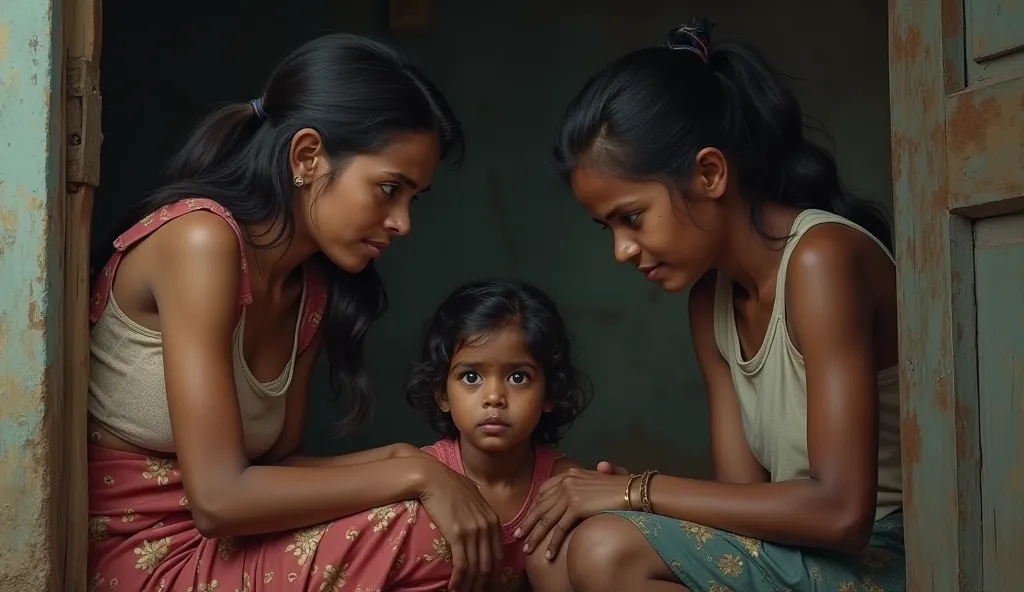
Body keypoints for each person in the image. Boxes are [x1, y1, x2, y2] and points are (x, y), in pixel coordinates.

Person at [86, 33, 506, 592]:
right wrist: (413, 475)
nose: (402, 221)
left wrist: (417, 460)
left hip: (228, 549)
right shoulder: (200, 241)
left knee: (482, 513)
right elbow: (219, 500)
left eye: (413, 198)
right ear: (308, 157)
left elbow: (272, 473)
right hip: (144, 558)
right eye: (388, 189)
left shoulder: (309, 289)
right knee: (430, 534)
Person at [517, 19, 905, 592]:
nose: (622, 249)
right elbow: (746, 502)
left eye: (631, 217)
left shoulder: (821, 259)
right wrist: (627, 498)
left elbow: (841, 514)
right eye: (607, 227)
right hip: (801, 552)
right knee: (551, 549)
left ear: (710, 172)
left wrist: (638, 491)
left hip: (886, 552)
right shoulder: (710, 300)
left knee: (605, 549)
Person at [404, 279, 592, 591]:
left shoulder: (563, 484)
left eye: (518, 377)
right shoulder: (422, 481)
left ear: (550, 393)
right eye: (471, 376)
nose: (494, 397)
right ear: (442, 393)